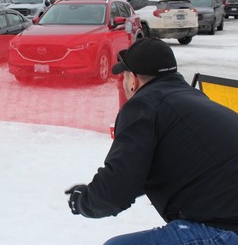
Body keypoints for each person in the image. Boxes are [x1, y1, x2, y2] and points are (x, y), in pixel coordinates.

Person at [65, 37, 238, 244]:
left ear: (134, 80)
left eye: (124, 76)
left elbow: (117, 190)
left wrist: (83, 202)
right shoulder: (190, 99)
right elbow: (134, 175)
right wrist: (95, 192)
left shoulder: (144, 107)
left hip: (226, 227)